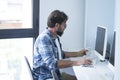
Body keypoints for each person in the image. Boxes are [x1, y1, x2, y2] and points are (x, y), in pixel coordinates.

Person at [33, 10, 92, 80]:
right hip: (46, 77)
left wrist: (79, 53)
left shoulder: (54, 37)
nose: (66, 26)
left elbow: (61, 54)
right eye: (64, 23)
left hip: (55, 75)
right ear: (57, 25)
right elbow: (52, 64)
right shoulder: (44, 38)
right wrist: (78, 62)